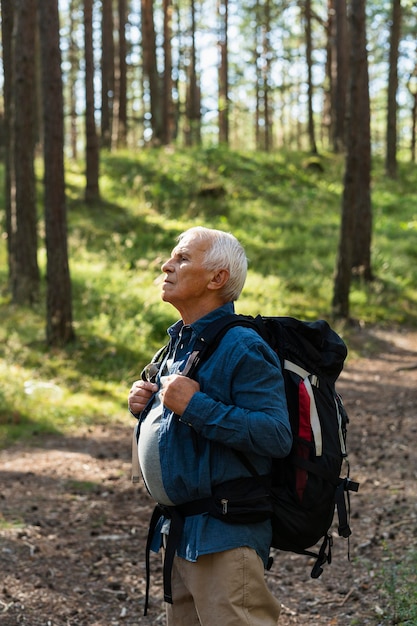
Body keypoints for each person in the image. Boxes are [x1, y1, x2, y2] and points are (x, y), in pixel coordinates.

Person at [128, 226, 292, 626]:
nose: (167, 265)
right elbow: (179, 420)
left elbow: (275, 434)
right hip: (181, 533)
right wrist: (147, 409)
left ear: (218, 278)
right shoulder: (178, 344)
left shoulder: (243, 346)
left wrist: (195, 405)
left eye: (182, 258)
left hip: (224, 535)